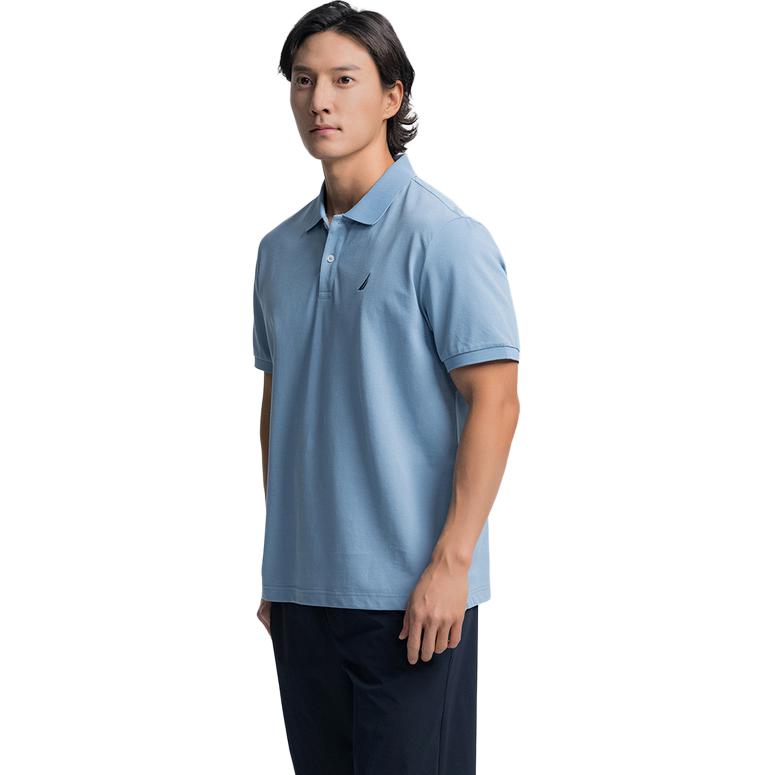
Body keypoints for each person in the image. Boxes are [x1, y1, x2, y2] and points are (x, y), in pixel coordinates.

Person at [252, 3, 521, 773]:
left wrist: (452, 564)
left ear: (392, 96)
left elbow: (496, 400)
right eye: (303, 81)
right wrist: (281, 564)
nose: (319, 100)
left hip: (413, 598)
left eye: (344, 79)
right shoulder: (278, 251)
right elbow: (281, 408)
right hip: (302, 595)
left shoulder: (445, 237)